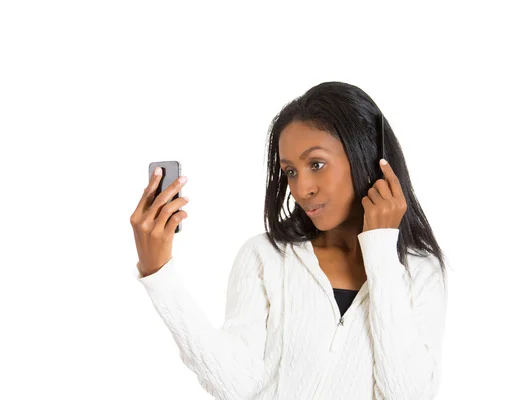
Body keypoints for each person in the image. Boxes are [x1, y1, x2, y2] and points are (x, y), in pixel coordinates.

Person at [129, 81, 449, 399]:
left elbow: (408, 394)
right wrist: (160, 276)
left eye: (316, 164)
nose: (301, 188)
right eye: (291, 171)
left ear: (367, 156)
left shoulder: (420, 270)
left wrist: (380, 246)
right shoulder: (266, 257)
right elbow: (237, 385)